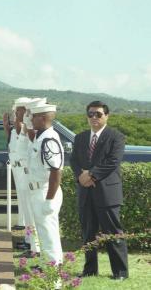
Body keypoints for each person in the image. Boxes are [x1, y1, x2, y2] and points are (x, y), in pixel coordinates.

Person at [70, 101, 128, 280]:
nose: (94, 117)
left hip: (107, 194)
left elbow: (113, 161)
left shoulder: (116, 136)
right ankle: (89, 270)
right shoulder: (80, 137)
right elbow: (74, 161)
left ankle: (120, 272)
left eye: (98, 114)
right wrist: (81, 175)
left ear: (107, 116)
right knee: (88, 233)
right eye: (90, 114)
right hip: (85, 192)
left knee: (113, 233)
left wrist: (91, 175)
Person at [27, 103, 64, 265]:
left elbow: (56, 171)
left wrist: (49, 199)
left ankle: (52, 272)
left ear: (42, 118)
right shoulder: (41, 136)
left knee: (48, 234)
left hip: (45, 192)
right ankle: (52, 265)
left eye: (33, 116)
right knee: (46, 232)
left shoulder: (48, 139)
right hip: (40, 191)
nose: (31, 119)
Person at [3, 98, 40, 256]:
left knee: (30, 212)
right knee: (26, 211)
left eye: (17, 110)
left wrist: (19, 118)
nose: (14, 113)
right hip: (19, 170)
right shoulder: (19, 126)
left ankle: (34, 247)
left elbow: (20, 130)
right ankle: (29, 241)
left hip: (26, 172)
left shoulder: (27, 126)